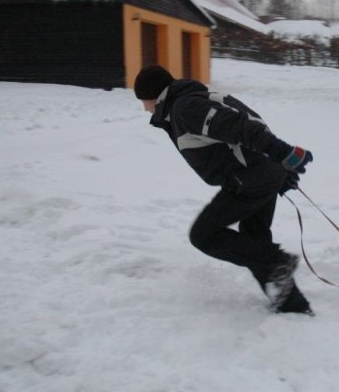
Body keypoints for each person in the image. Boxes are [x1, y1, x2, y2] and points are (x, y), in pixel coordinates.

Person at [133, 65, 314, 315]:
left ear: (155, 94)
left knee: (203, 235)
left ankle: (278, 262)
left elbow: (240, 127)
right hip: (260, 174)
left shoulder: (186, 108)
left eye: (144, 100)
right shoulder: (195, 100)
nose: (145, 108)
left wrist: (281, 154)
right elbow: (250, 125)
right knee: (254, 241)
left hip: (248, 178)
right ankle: (293, 307)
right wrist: (279, 170)